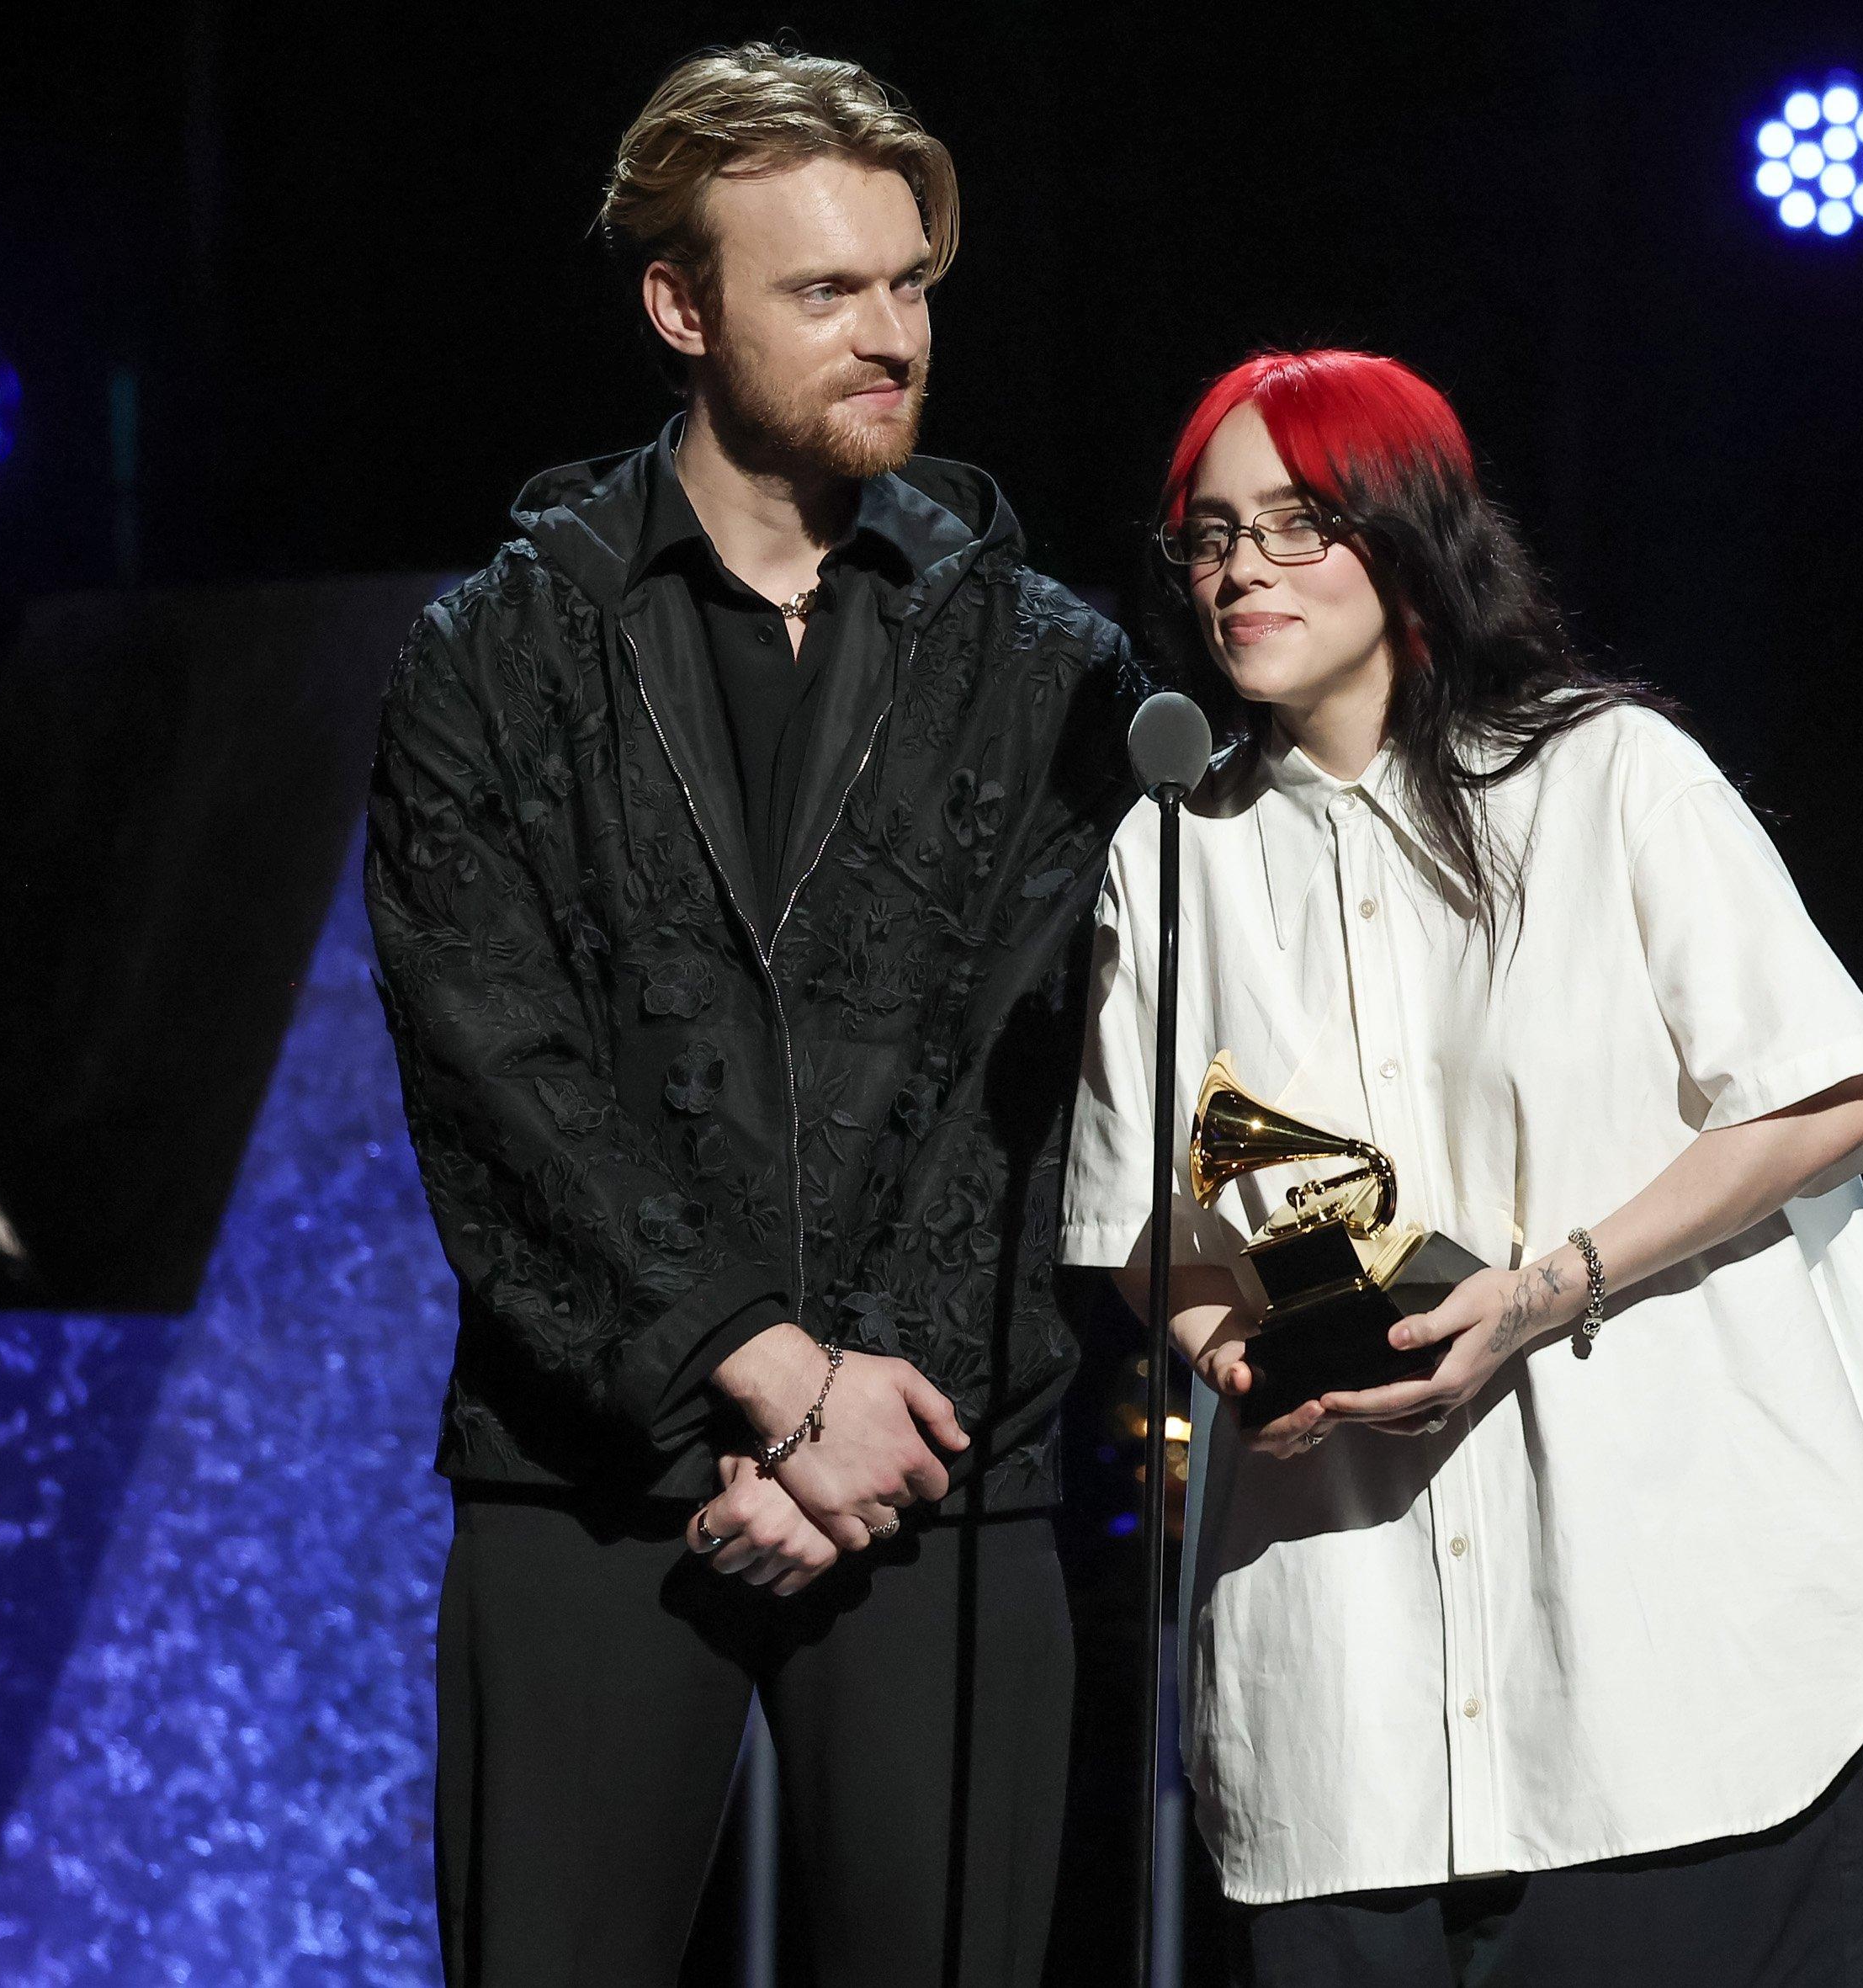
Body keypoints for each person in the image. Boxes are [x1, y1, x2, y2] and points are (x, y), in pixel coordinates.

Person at [1060, 350, 1863, 1986]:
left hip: (1667, 1680)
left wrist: (1545, 1285)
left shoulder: (1606, 776)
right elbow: (1147, 1212)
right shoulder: (1173, 847)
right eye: (1208, 536)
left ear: (1411, 539)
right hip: (1340, 1708)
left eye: (1296, 523)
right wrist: (1227, 1341)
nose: (1239, 571)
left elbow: (1826, 1090)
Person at [364, 45, 1133, 1988]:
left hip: (939, 1455)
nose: (890, 336)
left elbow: (1040, 1085)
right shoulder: (497, 649)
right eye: (825, 293)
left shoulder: (1051, 663)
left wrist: (869, 1403)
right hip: (594, 1470)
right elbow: (492, 1065)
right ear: (678, 307)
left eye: (907, 285)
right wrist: (764, 1373)